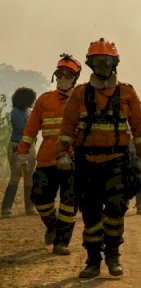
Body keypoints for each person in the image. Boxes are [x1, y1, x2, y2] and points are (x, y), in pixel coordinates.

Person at [56, 38, 141, 278]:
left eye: (106, 61)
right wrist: (62, 155)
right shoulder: (80, 93)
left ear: (114, 63)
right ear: (90, 64)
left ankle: (113, 256)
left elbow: (139, 129)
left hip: (117, 162)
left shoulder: (127, 92)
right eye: (97, 62)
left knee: (116, 211)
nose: (102, 66)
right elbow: (67, 128)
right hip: (86, 162)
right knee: (90, 214)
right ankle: (92, 261)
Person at [17, 54, 82, 255]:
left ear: (75, 77)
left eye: (67, 74)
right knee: (39, 197)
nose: (63, 77)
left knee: (69, 203)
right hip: (46, 159)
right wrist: (22, 151)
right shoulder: (44, 100)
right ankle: (52, 226)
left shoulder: (82, 100)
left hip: (74, 162)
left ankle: (61, 242)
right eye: (59, 73)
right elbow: (31, 129)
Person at [1, 87, 37, 217]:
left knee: (29, 178)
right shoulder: (16, 112)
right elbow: (23, 129)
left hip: (29, 146)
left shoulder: (28, 111)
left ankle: (29, 207)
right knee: (15, 177)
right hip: (18, 146)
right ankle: (6, 208)